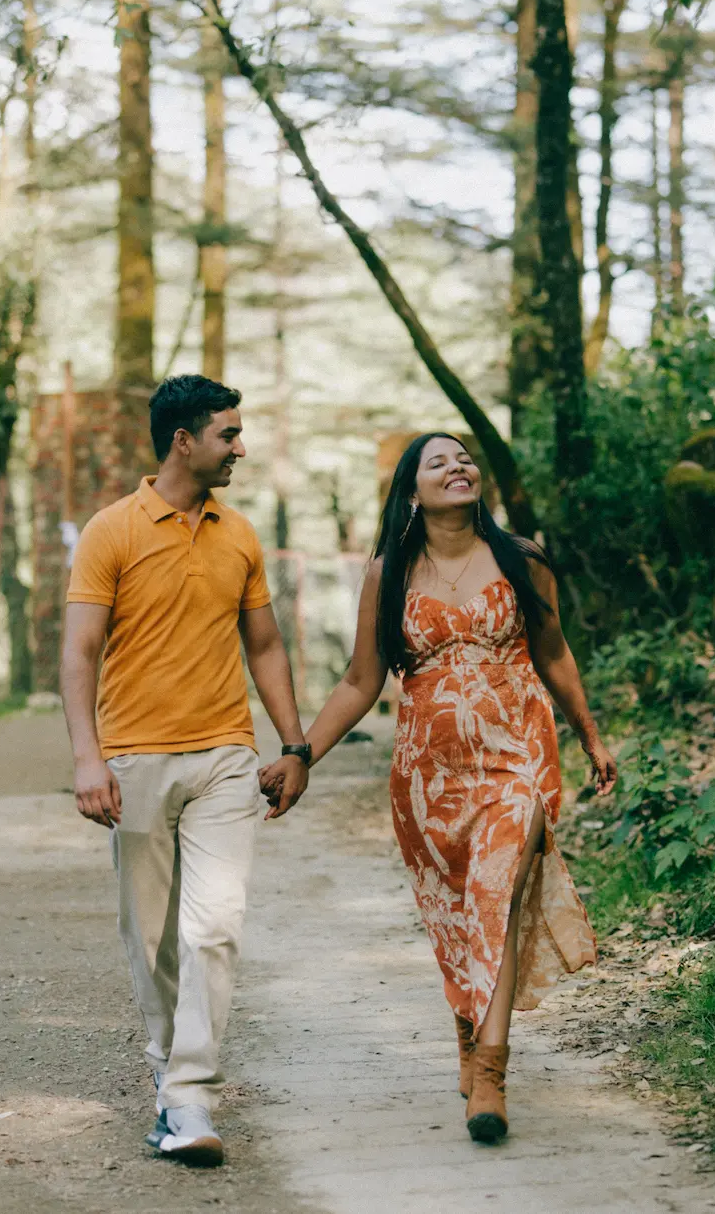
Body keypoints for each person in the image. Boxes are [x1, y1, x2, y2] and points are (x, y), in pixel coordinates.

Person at [258, 432, 617, 1144]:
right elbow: (363, 680)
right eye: (438, 462)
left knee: (497, 891)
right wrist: (302, 754)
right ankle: (466, 1028)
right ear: (412, 491)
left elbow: (552, 650)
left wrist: (589, 733)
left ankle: (491, 1070)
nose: (459, 467)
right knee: (457, 913)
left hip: (517, 759)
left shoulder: (523, 559)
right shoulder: (389, 572)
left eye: (465, 458)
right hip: (428, 777)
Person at [60, 375, 311, 1166]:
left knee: (214, 929)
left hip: (225, 761)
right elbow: (79, 653)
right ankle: (169, 1080)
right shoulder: (111, 531)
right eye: (228, 434)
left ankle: (192, 1099)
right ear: (184, 440)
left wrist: (294, 745)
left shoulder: (239, 535)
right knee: (153, 941)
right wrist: (88, 759)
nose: (240, 447)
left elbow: (264, 646)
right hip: (133, 761)